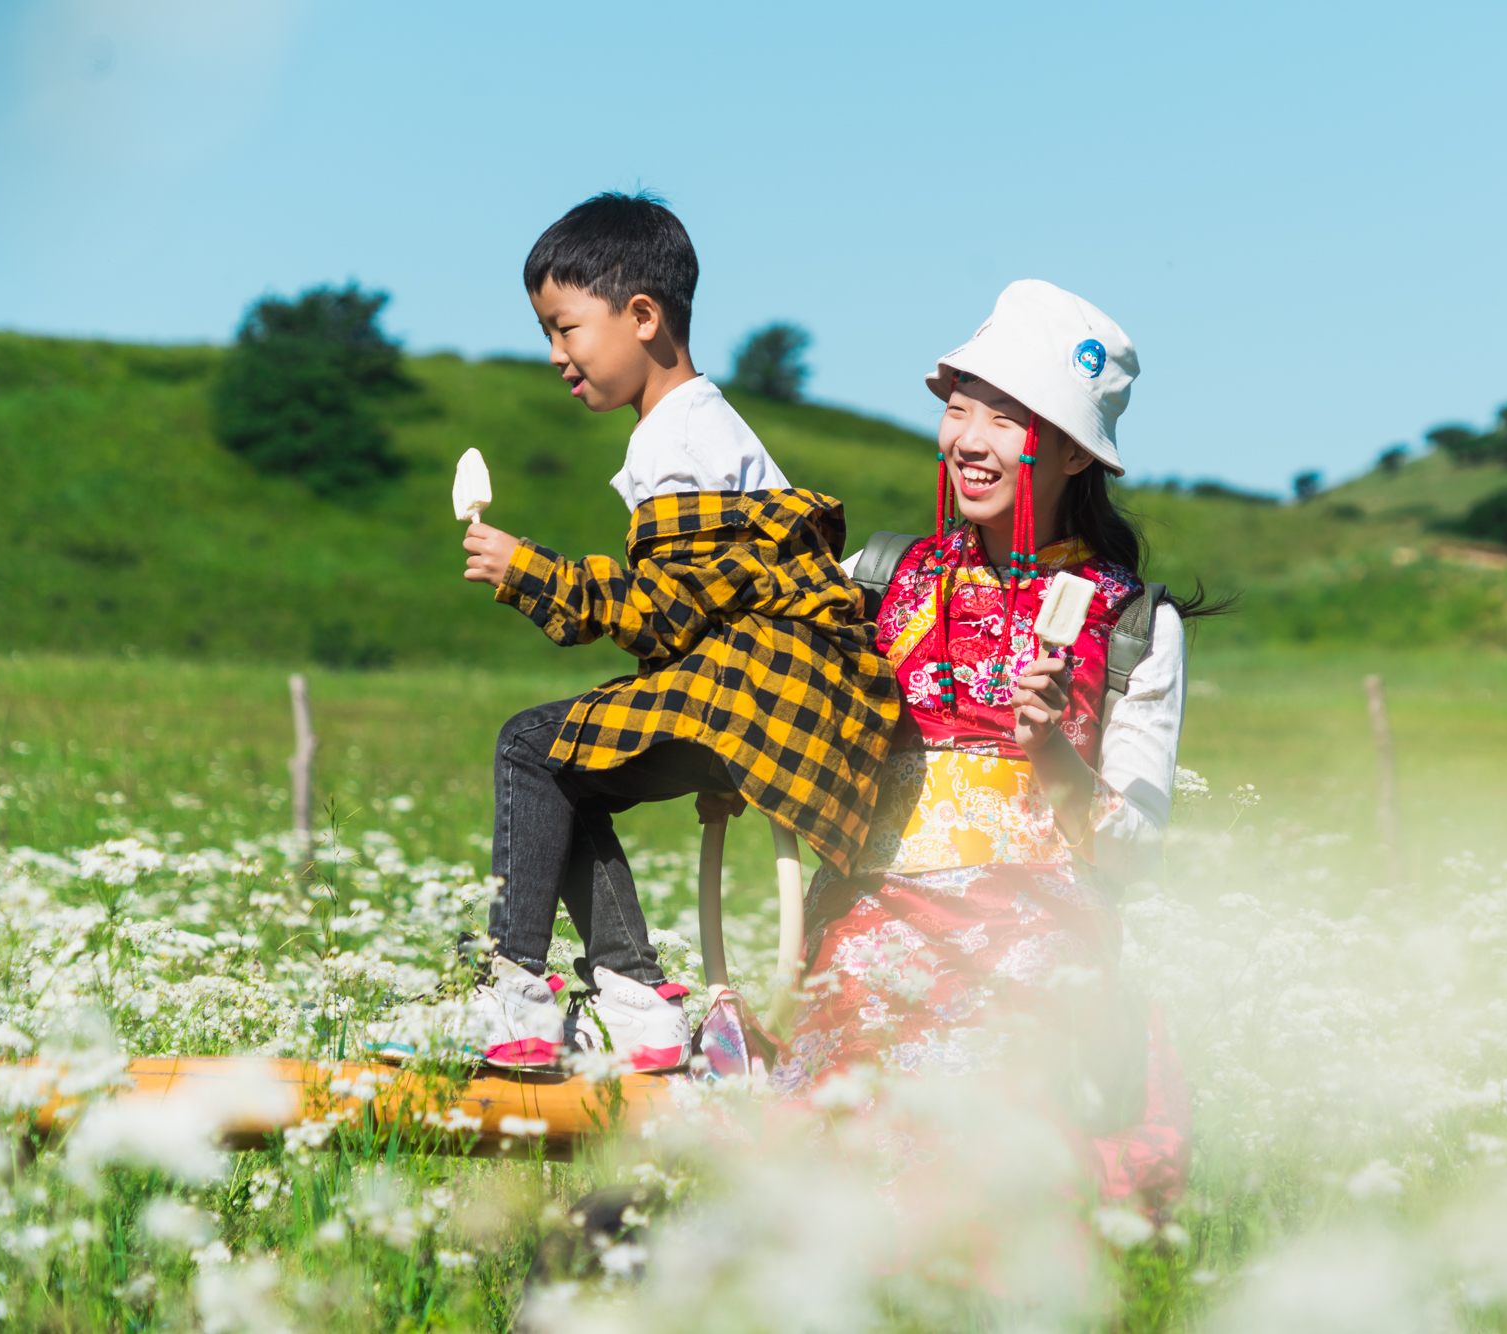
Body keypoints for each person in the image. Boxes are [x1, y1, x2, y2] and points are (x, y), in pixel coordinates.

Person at [772, 279, 1217, 1208]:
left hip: (1035, 957)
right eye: (960, 409)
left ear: (1068, 452)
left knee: (995, 1166)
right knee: (818, 1166)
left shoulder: (1133, 624)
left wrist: (1052, 748)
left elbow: (1132, 857)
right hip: (861, 945)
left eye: (1006, 419)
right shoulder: (873, 581)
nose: (969, 440)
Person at [455, 192, 901, 1072]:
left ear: (644, 316)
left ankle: (516, 988)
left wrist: (531, 573)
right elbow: (710, 603)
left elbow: (661, 607)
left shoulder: (676, 443)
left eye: (567, 327)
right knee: (568, 766)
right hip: (775, 699)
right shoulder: (710, 428)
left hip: (754, 697)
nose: (554, 355)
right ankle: (636, 1000)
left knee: (528, 749)